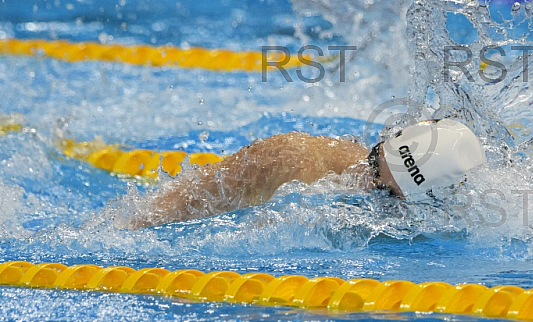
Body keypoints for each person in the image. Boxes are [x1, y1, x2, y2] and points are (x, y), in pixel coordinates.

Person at [127, 119, 486, 229]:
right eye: (373, 165)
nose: (365, 182)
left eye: (385, 196)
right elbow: (152, 220)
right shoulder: (293, 164)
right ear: (379, 147)